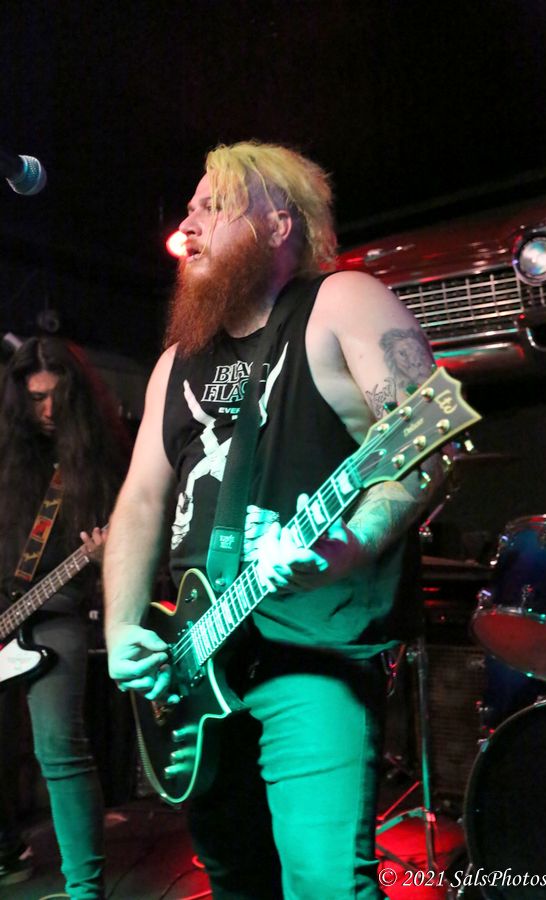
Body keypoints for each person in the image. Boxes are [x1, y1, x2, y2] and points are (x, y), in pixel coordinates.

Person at [103, 140, 444, 899]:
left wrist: (346, 547)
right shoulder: (176, 361)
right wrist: (123, 627)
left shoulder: (342, 303)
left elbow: (426, 448)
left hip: (311, 647)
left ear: (278, 223)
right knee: (235, 879)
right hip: (198, 657)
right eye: (188, 210)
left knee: (324, 880)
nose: (188, 225)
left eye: (213, 207)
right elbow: (141, 501)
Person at [0, 337, 129, 898]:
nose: (48, 409)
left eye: (57, 396)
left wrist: (107, 554)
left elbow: (137, 530)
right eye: (36, 399)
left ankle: (84, 889)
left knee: (59, 747)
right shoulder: (7, 453)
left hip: (57, 613)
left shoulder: (101, 457)